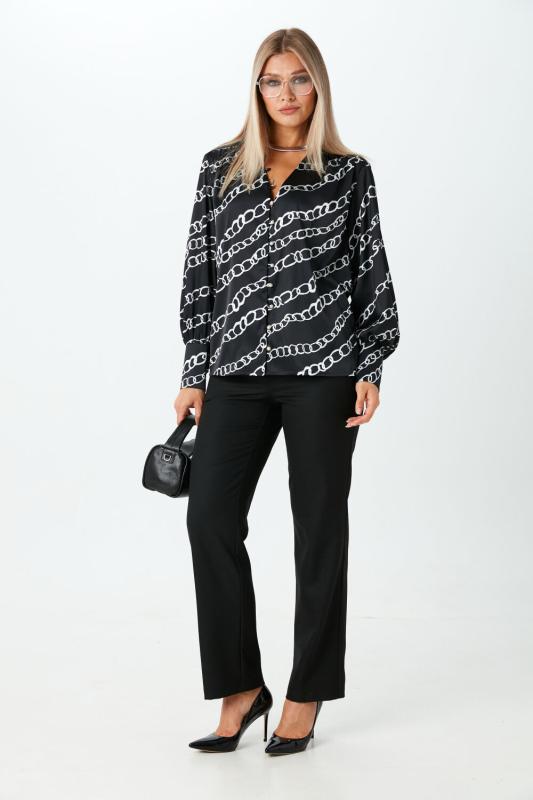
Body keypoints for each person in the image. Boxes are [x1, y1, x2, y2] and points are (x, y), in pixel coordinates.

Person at [174, 27, 400, 756]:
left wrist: (370, 365)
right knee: (209, 519)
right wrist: (194, 372)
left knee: (319, 529)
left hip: (324, 374)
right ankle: (242, 689)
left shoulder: (348, 174)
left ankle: (306, 691)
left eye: (299, 79)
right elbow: (201, 274)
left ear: (317, 86)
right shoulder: (219, 170)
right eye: (272, 81)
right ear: (256, 89)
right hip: (235, 373)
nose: (286, 94)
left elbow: (370, 272)